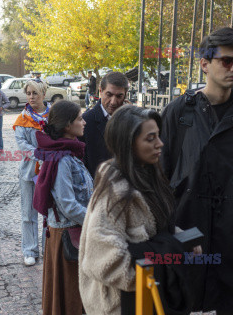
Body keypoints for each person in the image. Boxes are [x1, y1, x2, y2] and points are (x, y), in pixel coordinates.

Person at [161, 27, 233, 315]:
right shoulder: (178, 113)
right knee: (178, 298)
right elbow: (159, 174)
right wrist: (163, 229)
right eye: (227, 60)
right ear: (204, 64)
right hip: (188, 227)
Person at [79, 106, 177, 314]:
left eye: (158, 136)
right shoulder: (116, 191)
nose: (160, 144)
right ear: (128, 144)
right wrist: (162, 267)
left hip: (148, 301)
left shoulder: (148, 177)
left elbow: (157, 228)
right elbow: (101, 260)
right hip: (123, 305)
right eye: (150, 139)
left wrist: (182, 242)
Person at [33, 100, 92, 315]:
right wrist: (96, 220)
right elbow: (67, 204)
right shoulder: (62, 159)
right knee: (71, 300)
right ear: (67, 125)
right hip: (67, 236)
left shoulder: (68, 153)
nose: (84, 122)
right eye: (79, 118)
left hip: (73, 233)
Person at [13, 78, 50, 266]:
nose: (31, 96)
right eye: (28, 93)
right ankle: (30, 250)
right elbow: (22, 144)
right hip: (29, 172)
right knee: (28, 212)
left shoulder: (54, 116)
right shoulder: (23, 119)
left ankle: (48, 249)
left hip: (50, 171)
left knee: (49, 212)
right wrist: (40, 155)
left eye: (35, 93)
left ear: (43, 94)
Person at [80, 71, 129, 178]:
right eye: (109, 95)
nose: (113, 102)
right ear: (100, 91)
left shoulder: (130, 120)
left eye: (119, 96)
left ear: (125, 95)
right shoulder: (85, 122)